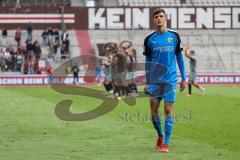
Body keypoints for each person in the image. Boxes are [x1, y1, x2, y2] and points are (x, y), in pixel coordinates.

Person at [143, 8, 186, 153]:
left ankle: (166, 143)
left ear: (165, 18)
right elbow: (147, 61)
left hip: (170, 79)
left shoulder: (174, 36)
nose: (159, 19)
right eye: (156, 17)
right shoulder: (149, 39)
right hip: (155, 81)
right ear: (153, 20)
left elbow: (179, 57)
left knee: (168, 110)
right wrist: (147, 81)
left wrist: (184, 79)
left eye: (161, 16)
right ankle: (160, 135)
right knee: (154, 111)